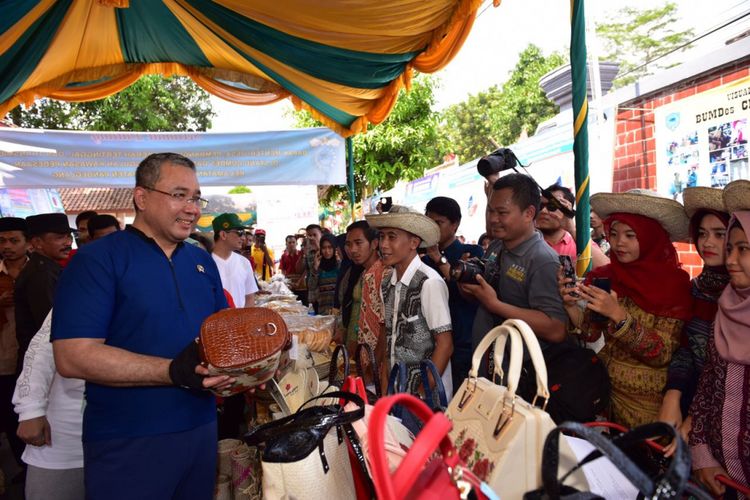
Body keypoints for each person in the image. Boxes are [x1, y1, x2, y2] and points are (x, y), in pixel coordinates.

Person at [50, 152, 232, 499]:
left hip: (202, 429)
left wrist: (261, 355)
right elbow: (72, 356)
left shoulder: (200, 259)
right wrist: (173, 371)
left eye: (195, 197)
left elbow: (221, 335)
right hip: (129, 438)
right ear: (142, 197)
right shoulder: (96, 260)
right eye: (179, 195)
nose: (192, 208)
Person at [561, 190, 692, 428]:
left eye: (631, 235)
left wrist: (619, 316)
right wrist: (571, 306)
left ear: (651, 237)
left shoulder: (674, 285)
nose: (619, 243)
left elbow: (662, 353)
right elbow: (591, 333)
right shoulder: (607, 276)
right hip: (602, 398)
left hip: (648, 411)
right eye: (614, 233)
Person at [689, 181, 750, 496]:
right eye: (731, 249)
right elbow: (706, 390)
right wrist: (702, 455)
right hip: (721, 477)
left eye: (744, 249)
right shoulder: (727, 308)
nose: (730, 260)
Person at [657, 187, 730, 450]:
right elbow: (686, 347)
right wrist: (673, 395)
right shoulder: (697, 288)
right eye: (702, 233)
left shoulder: (740, 296)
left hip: (727, 416)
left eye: (719, 234)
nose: (707, 243)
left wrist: (693, 419)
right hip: (689, 398)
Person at [463, 173, 568, 353]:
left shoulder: (543, 260)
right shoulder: (497, 245)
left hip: (519, 374)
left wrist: (495, 305)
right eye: (490, 211)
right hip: (487, 367)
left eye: (502, 212)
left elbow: (556, 329)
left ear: (529, 213)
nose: (493, 219)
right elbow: (480, 298)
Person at [366, 205, 453, 395]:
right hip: (396, 391)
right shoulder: (387, 282)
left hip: (427, 399)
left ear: (414, 242)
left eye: (392, 237)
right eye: (381, 237)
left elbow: (445, 344)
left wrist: (422, 393)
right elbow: (389, 337)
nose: (384, 245)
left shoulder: (429, 283)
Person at [13, 311, 84, 500]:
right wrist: (30, 409)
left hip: (126, 436)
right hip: (63, 436)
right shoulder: (84, 289)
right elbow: (41, 351)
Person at [423, 196, 483, 389]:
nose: (433, 228)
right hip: (433, 345)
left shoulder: (472, 253)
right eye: (429, 222)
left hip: (465, 342)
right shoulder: (423, 263)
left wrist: (439, 258)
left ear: (455, 225)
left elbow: (469, 291)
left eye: (438, 223)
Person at [15, 213, 74, 366]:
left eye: (69, 237)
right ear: (37, 242)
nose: (68, 243)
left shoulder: (49, 268)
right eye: (59, 238)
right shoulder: (41, 273)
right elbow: (50, 323)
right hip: (42, 360)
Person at [0, 217, 29, 470]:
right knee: (9, 413)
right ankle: (20, 467)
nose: (7, 246)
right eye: (2, 241)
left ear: (28, 243)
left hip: (30, 355)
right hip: (4, 356)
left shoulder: (41, 270)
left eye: (13, 240)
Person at [339, 221, 380, 354]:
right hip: (357, 345)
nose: (353, 250)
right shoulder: (364, 272)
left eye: (358, 243)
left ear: (374, 243)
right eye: (349, 244)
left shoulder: (382, 274)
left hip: (370, 351)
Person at [211, 213, 258, 308]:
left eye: (244, 233)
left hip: (240, 321)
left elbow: (249, 297)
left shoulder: (244, 263)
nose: (243, 238)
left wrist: (244, 321)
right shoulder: (205, 263)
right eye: (239, 232)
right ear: (223, 235)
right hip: (214, 322)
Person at [537, 184, 577, 262]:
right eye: (541, 206)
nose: (543, 211)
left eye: (552, 206)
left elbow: (604, 266)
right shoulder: (526, 240)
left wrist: (573, 231)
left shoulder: (578, 243)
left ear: (567, 210)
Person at [296, 224, 323, 311]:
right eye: (309, 235)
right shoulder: (308, 253)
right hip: (313, 295)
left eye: (315, 235)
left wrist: (318, 246)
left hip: (326, 295)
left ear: (321, 235)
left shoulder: (327, 249)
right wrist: (303, 253)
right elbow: (299, 270)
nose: (312, 238)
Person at [314, 234, 340, 315]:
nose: (327, 251)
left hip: (338, 311)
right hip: (322, 310)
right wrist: (315, 269)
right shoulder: (318, 265)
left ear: (335, 248)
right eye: (324, 248)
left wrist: (340, 263)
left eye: (330, 247)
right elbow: (311, 287)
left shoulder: (340, 265)